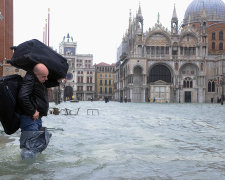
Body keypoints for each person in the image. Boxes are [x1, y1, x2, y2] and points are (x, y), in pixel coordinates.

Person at [18, 63, 64, 159]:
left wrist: (57, 81)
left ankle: (34, 171)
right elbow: (22, 97)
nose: (46, 78)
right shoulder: (29, 80)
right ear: (35, 73)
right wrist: (32, 111)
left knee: (34, 147)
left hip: (35, 119)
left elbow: (46, 83)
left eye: (46, 76)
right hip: (29, 118)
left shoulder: (36, 80)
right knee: (29, 149)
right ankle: (27, 172)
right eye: (44, 76)